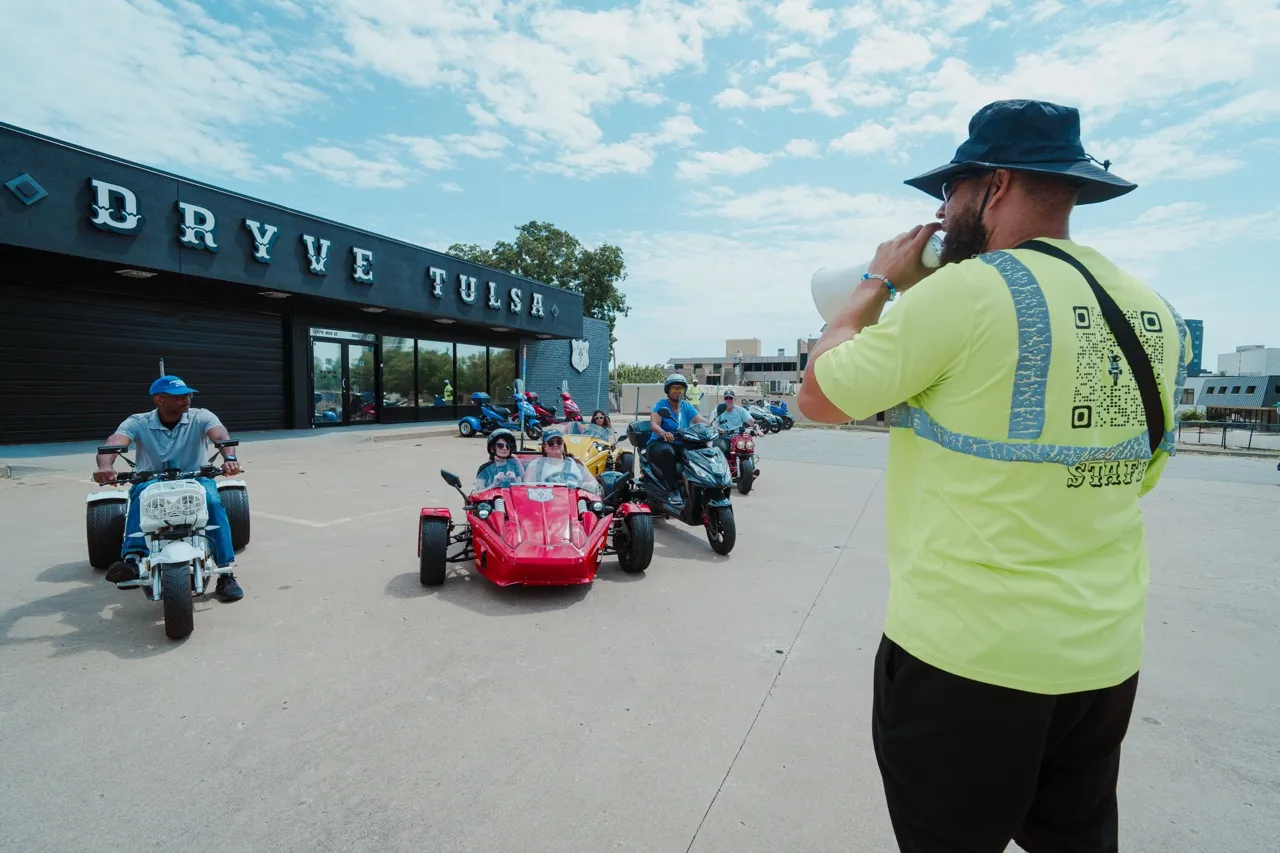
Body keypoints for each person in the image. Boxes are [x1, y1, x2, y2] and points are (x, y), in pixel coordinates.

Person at [797, 99, 1192, 853]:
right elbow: (1140, 475)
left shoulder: (964, 292)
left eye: (950, 192)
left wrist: (875, 284)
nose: (942, 213)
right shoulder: (1155, 312)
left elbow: (819, 394)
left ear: (997, 185)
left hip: (966, 662)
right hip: (1102, 659)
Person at [92, 375, 245, 601]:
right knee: (140, 498)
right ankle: (133, 559)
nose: (187, 399)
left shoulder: (201, 416)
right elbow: (115, 441)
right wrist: (106, 466)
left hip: (195, 477)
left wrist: (229, 458)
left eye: (188, 394)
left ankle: (225, 571)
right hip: (152, 479)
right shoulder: (138, 421)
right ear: (159, 400)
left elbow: (221, 435)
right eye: (179, 396)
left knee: (212, 502)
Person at [647, 373, 709, 493]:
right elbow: (654, 424)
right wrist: (664, 433)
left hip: (681, 442)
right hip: (660, 442)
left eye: (680, 388)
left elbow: (700, 420)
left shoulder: (686, 406)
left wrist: (713, 426)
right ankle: (672, 489)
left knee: (702, 450)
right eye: (674, 388)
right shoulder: (661, 405)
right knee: (667, 452)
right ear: (668, 390)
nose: (677, 391)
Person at [522, 428, 600, 493]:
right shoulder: (535, 465)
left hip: (575, 504)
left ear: (563, 444)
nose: (555, 445)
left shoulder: (577, 463)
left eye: (558, 442)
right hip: (546, 506)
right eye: (551, 443)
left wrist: (585, 486)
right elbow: (526, 488)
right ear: (544, 446)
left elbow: (594, 484)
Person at [712, 390, 758, 457]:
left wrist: (758, 430)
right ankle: (721, 466)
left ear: (735, 399)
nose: (728, 400)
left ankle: (751, 465)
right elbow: (713, 423)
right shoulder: (718, 410)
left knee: (748, 447)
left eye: (730, 398)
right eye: (726, 398)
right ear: (723, 399)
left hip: (738, 437)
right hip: (723, 437)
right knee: (719, 446)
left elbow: (752, 421)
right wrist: (718, 428)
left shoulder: (741, 411)